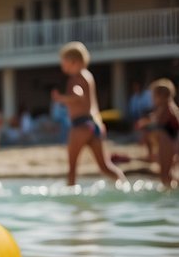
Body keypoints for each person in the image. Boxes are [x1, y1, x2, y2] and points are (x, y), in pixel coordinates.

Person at [51, 41, 126, 187]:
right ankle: (124, 184)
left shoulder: (75, 78)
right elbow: (91, 103)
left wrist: (61, 98)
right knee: (105, 166)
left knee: (72, 169)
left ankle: (71, 200)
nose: (62, 65)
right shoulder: (88, 76)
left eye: (64, 61)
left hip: (80, 125)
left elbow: (79, 96)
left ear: (73, 61)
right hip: (94, 124)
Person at [137, 78, 179, 189]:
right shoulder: (166, 108)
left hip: (168, 142)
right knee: (167, 173)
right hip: (169, 142)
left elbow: (159, 125)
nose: (151, 98)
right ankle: (170, 191)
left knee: (165, 174)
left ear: (161, 96)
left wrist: (146, 127)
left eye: (153, 95)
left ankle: (169, 194)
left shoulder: (167, 108)